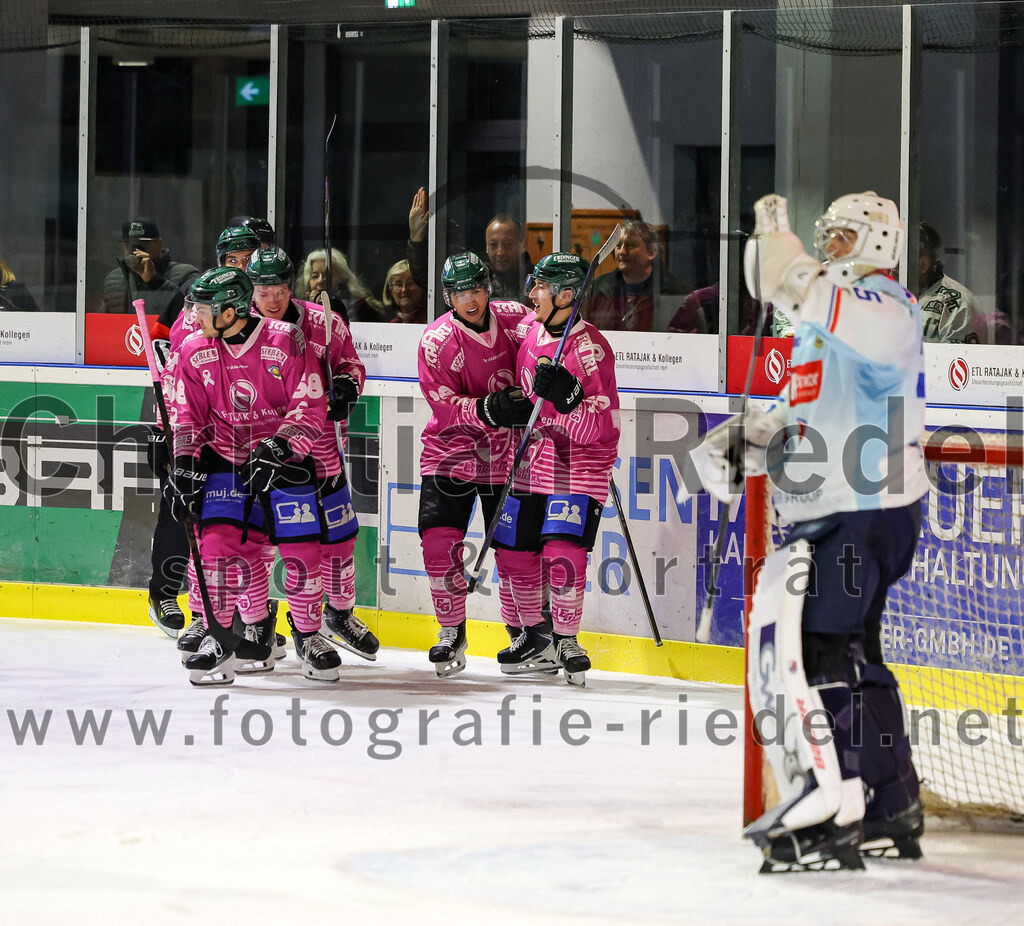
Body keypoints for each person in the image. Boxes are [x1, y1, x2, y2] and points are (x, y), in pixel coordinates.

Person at [698, 192, 927, 870]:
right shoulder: (826, 324)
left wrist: (785, 255)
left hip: (867, 503)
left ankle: (837, 803)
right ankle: (889, 801)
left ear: (879, 242)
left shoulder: (888, 308)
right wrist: (756, 435)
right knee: (851, 652)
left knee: (824, 649)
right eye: (824, 237)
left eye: (844, 237)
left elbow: (814, 296)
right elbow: (808, 406)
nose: (830, 249)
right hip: (838, 502)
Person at [167, 266, 334, 685]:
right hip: (227, 457)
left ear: (230, 312)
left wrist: (280, 446)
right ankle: (221, 635)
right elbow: (188, 412)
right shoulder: (192, 349)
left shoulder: (286, 339)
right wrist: (185, 461)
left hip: (286, 459)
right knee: (219, 546)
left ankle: (309, 635)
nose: (194, 316)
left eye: (203, 309)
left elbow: (310, 405)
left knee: (301, 554)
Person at [246, 246, 378, 662]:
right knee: (263, 543)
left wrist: (347, 387)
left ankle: (338, 616)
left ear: (292, 284)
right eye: (264, 289)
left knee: (338, 540)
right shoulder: (239, 328)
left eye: (281, 287)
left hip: (321, 449)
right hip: (265, 453)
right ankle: (257, 622)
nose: (273, 297)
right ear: (252, 289)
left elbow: (352, 366)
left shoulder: (324, 321)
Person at [500, 252, 621, 686]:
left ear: (566, 295)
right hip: (535, 455)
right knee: (513, 552)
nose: (531, 293)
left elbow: (600, 426)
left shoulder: (590, 350)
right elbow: (484, 311)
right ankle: (537, 635)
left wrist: (569, 401)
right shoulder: (529, 330)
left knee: (562, 553)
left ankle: (567, 638)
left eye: (540, 287)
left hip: (580, 461)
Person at [416, 251, 534, 678]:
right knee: (437, 543)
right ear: (448, 297)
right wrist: (488, 408)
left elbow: (546, 352)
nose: (472, 299)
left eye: (478, 288)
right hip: (451, 454)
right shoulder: (435, 340)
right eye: (461, 292)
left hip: (508, 457)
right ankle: (451, 631)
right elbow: (443, 406)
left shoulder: (517, 318)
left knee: (515, 552)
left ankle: (525, 634)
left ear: (489, 287)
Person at [145, 221, 264, 638]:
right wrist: (165, 428)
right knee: (182, 508)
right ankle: (164, 592)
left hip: (246, 433)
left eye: (250, 258)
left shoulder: (264, 300)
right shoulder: (199, 298)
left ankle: (249, 611)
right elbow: (167, 359)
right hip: (194, 425)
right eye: (234, 259)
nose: (243, 266)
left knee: (245, 525)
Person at [583, 220, 688, 331]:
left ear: (651, 252)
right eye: (618, 245)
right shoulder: (598, 287)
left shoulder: (677, 292)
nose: (622, 251)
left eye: (630, 245)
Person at [100, 218, 199, 316]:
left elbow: (189, 315)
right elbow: (103, 319)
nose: (137, 251)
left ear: (159, 244)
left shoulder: (184, 274)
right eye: (132, 245)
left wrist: (154, 281)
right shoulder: (115, 278)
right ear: (124, 247)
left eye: (144, 244)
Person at [918, 221, 990, 344]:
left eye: (897, 268)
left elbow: (954, 361)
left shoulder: (956, 303)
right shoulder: (893, 297)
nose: (890, 274)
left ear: (923, 264)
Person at [295, 247, 384, 322]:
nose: (320, 280)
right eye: (315, 276)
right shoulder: (298, 309)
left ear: (343, 279)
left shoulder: (363, 309)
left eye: (328, 275)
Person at [483, 213, 532, 301]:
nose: (500, 252)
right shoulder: (479, 282)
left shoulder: (537, 281)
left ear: (522, 245)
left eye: (508, 244)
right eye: (493, 245)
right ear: (486, 247)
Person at [382, 259, 427, 324]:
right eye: (398, 284)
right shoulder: (392, 325)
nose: (404, 289)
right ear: (390, 291)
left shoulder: (431, 322)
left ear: (422, 287)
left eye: (410, 283)